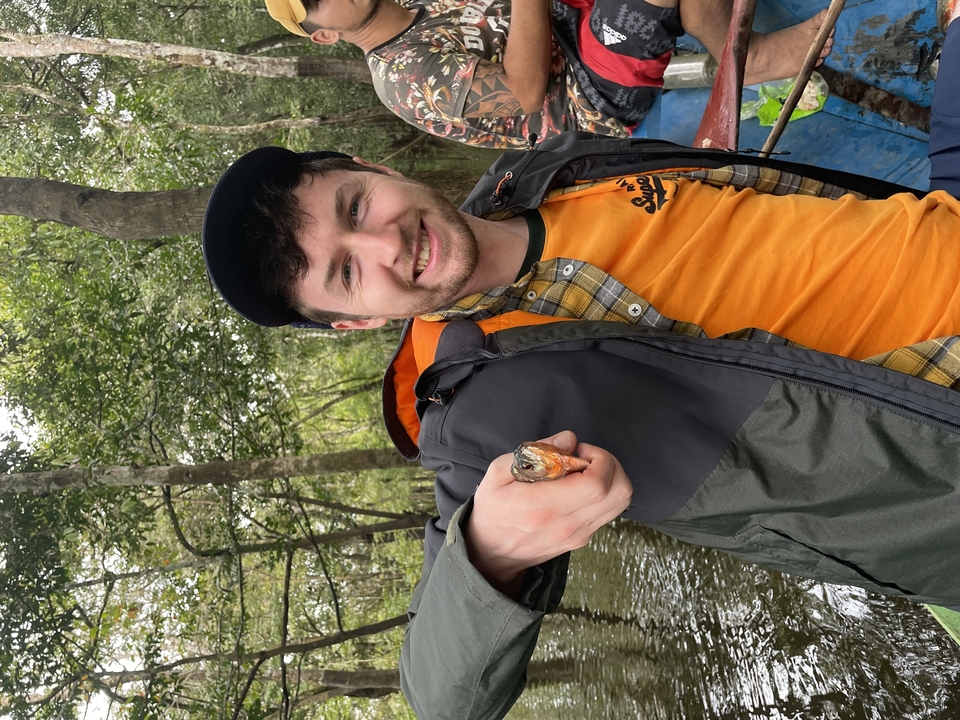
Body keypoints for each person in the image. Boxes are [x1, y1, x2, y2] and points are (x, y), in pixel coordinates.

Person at [203, 10, 960, 718]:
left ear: (371, 167)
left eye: (355, 209)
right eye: (345, 273)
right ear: (358, 321)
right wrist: (494, 547)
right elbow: (441, 697)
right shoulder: (476, 417)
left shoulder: (555, 166)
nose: (385, 246)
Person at [263, 0, 833, 148]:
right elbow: (526, 93)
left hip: (571, 20)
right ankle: (754, 59)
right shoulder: (403, 77)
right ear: (323, 36)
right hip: (586, 101)